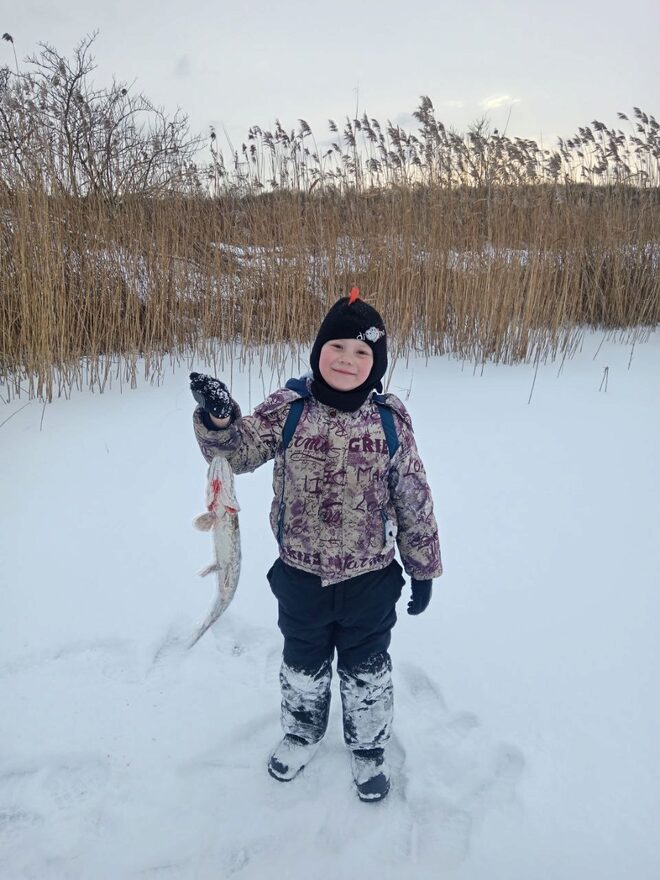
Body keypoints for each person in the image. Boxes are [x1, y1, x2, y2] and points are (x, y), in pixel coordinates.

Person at [190, 288, 442, 802]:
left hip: (371, 578)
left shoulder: (390, 421)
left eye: (362, 353)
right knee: (302, 662)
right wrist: (220, 421)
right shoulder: (289, 410)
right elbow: (236, 453)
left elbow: (413, 496)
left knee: (367, 666)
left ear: (377, 365)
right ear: (318, 351)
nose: (348, 361)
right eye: (337, 348)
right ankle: (302, 731)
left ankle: (369, 744)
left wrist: (422, 568)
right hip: (299, 575)